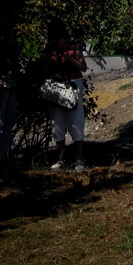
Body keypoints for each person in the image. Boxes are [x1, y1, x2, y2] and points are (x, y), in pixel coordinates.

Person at [41, 19, 88, 170]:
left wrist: (71, 59)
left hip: (72, 84)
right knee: (57, 121)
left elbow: (83, 67)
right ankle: (61, 158)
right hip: (56, 85)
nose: (57, 42)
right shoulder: (50, 50)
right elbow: (44, 65)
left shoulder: (74, 49)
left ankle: (79, 158)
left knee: (76, 120)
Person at [0, 14, 22, 168]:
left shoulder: (9, 36)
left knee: (6, 122)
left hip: (11, 83)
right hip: (4, 82)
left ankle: (2, 155)